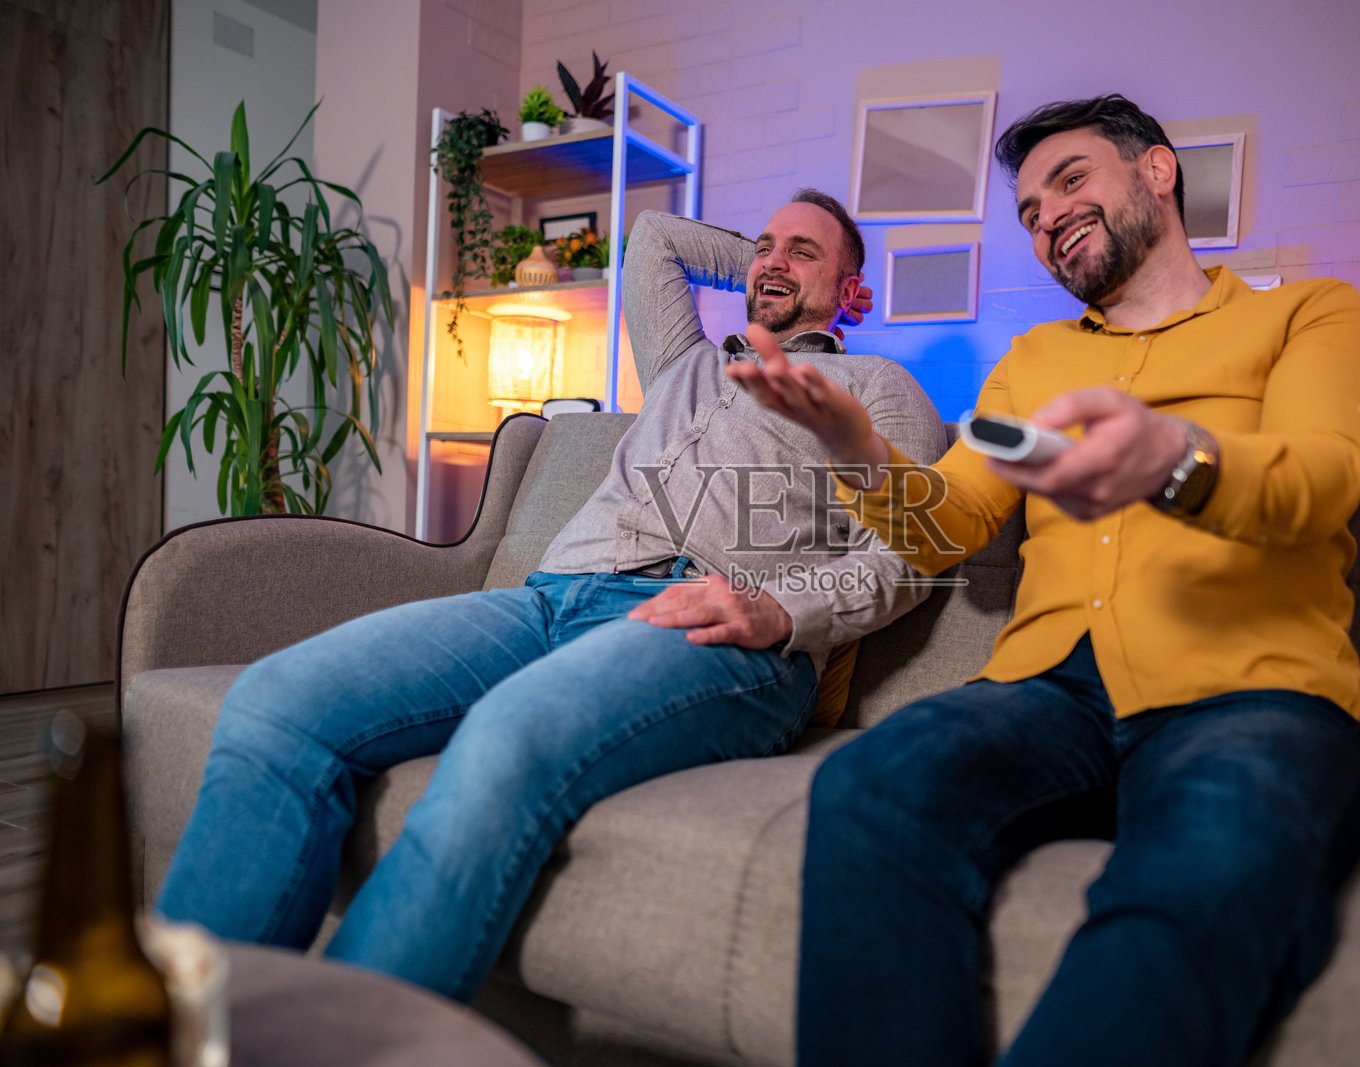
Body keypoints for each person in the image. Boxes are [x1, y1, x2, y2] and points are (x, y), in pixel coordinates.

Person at [729, 96, 1360, 1067]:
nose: (1046, 216)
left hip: (1254, 695)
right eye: (1030, 210)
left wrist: (1177, 458)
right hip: (1048, 693)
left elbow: (1320, 477)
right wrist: (856, 449)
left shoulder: (1312, 313)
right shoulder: (1034, 360)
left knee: (1192, 884)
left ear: (1158, 171)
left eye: (1070, 180)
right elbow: (951, 520)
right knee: (870, 784)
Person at [156, 190, 947, 1003]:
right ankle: (177, 1033)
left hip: (712, 633)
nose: (774, 260)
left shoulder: (879, 388)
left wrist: (783, 612)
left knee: (505, 737)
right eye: (764, 246)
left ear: (853, 291)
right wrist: (771, 256)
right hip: (549, 600)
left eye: (804, 253)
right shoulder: (687, 359)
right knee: (275, 699)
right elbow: (654, 240)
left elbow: (913, 547)